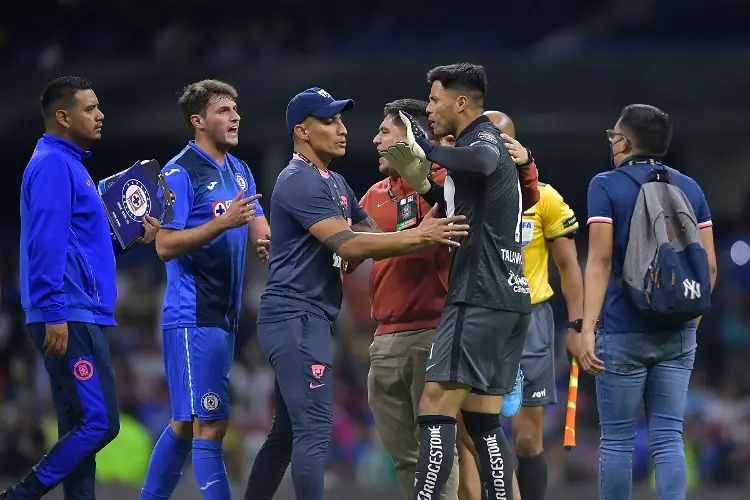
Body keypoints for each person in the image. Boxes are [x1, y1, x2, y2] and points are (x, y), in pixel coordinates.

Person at [243, 87, 470, 500]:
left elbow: (374, 237)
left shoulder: (338, 183)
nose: (343, 129)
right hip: (295, 316)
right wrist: (421, 237)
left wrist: (420, 222)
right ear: (302, 131)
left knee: (287, 432)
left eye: (341, 119)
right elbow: (349, 245)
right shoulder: (298, 180)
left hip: (308, 316)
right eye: (329, 121)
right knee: (313, 430)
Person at [381, 63, 533, 500]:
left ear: (460, 102)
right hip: (509, 299)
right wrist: (424, 180)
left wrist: (426, 147)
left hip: (478, 296)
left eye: (433, 99)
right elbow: (463, 197)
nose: (428, 108)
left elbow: (485, 159)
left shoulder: (482, 139)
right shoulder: (476, 151)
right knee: (483, 422)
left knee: (435, 405)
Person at [5, 76, 160, 500]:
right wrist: (54, 312)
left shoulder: (70, 165)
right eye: (90, 108)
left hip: (74, 310)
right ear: (63, 116)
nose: (100, 114)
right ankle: (20, 495)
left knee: (78, 427)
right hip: (70, 313)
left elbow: (81, 243)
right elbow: (45, 242)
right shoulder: (54, 165)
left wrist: (130, 237)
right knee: (100, 422)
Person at [578, 104, 717, 500]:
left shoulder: (605, 184)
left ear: (621, 141)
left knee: (618, 441)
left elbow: (600, 260)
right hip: (678, 332)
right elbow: (708, 266)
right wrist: (690, 322)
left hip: (622, 329)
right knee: (669, 438)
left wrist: (587, 329)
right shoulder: (689, 188)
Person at [140, 79, 270, 500]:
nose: (235, 116)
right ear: (198, 121)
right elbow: (164, 244)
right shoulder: (179, 172)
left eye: (235, 109)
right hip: (193, 314)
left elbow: (257, 227)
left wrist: (267, 241)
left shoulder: (240, 171)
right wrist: (222, 223)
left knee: (184, 422)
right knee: (210, 423)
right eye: (223, 110)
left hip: (224, 317)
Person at [488, 110, 585, 500]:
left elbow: (568, 267)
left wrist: (577, 326)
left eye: (496, 141)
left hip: (531, 323)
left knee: (527, 439)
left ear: (513, 146)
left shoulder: (545, 198)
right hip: (482, 318)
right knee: (482, 431)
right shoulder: (462, 194)